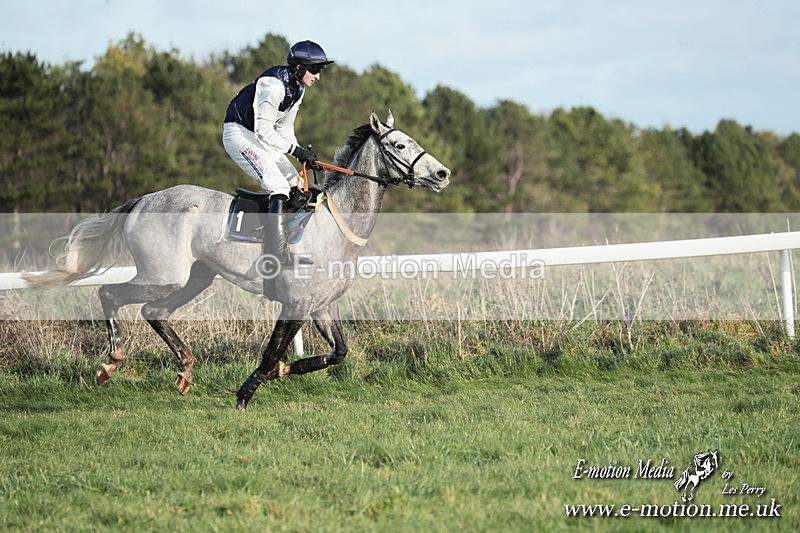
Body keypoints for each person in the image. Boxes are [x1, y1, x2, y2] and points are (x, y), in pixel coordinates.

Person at [223, 40, 333, 269]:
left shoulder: (298, 89)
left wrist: (302, 154)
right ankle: (275, 255)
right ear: (298, 68)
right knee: (279, 187)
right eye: (314, 70)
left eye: (320, 70)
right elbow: (264, 131)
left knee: (298, 184)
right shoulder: (274, 86)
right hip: (239, 133)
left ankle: (274, 237)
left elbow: (284, 130)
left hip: (256, 135)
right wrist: (296, 151)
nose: (318, 76)